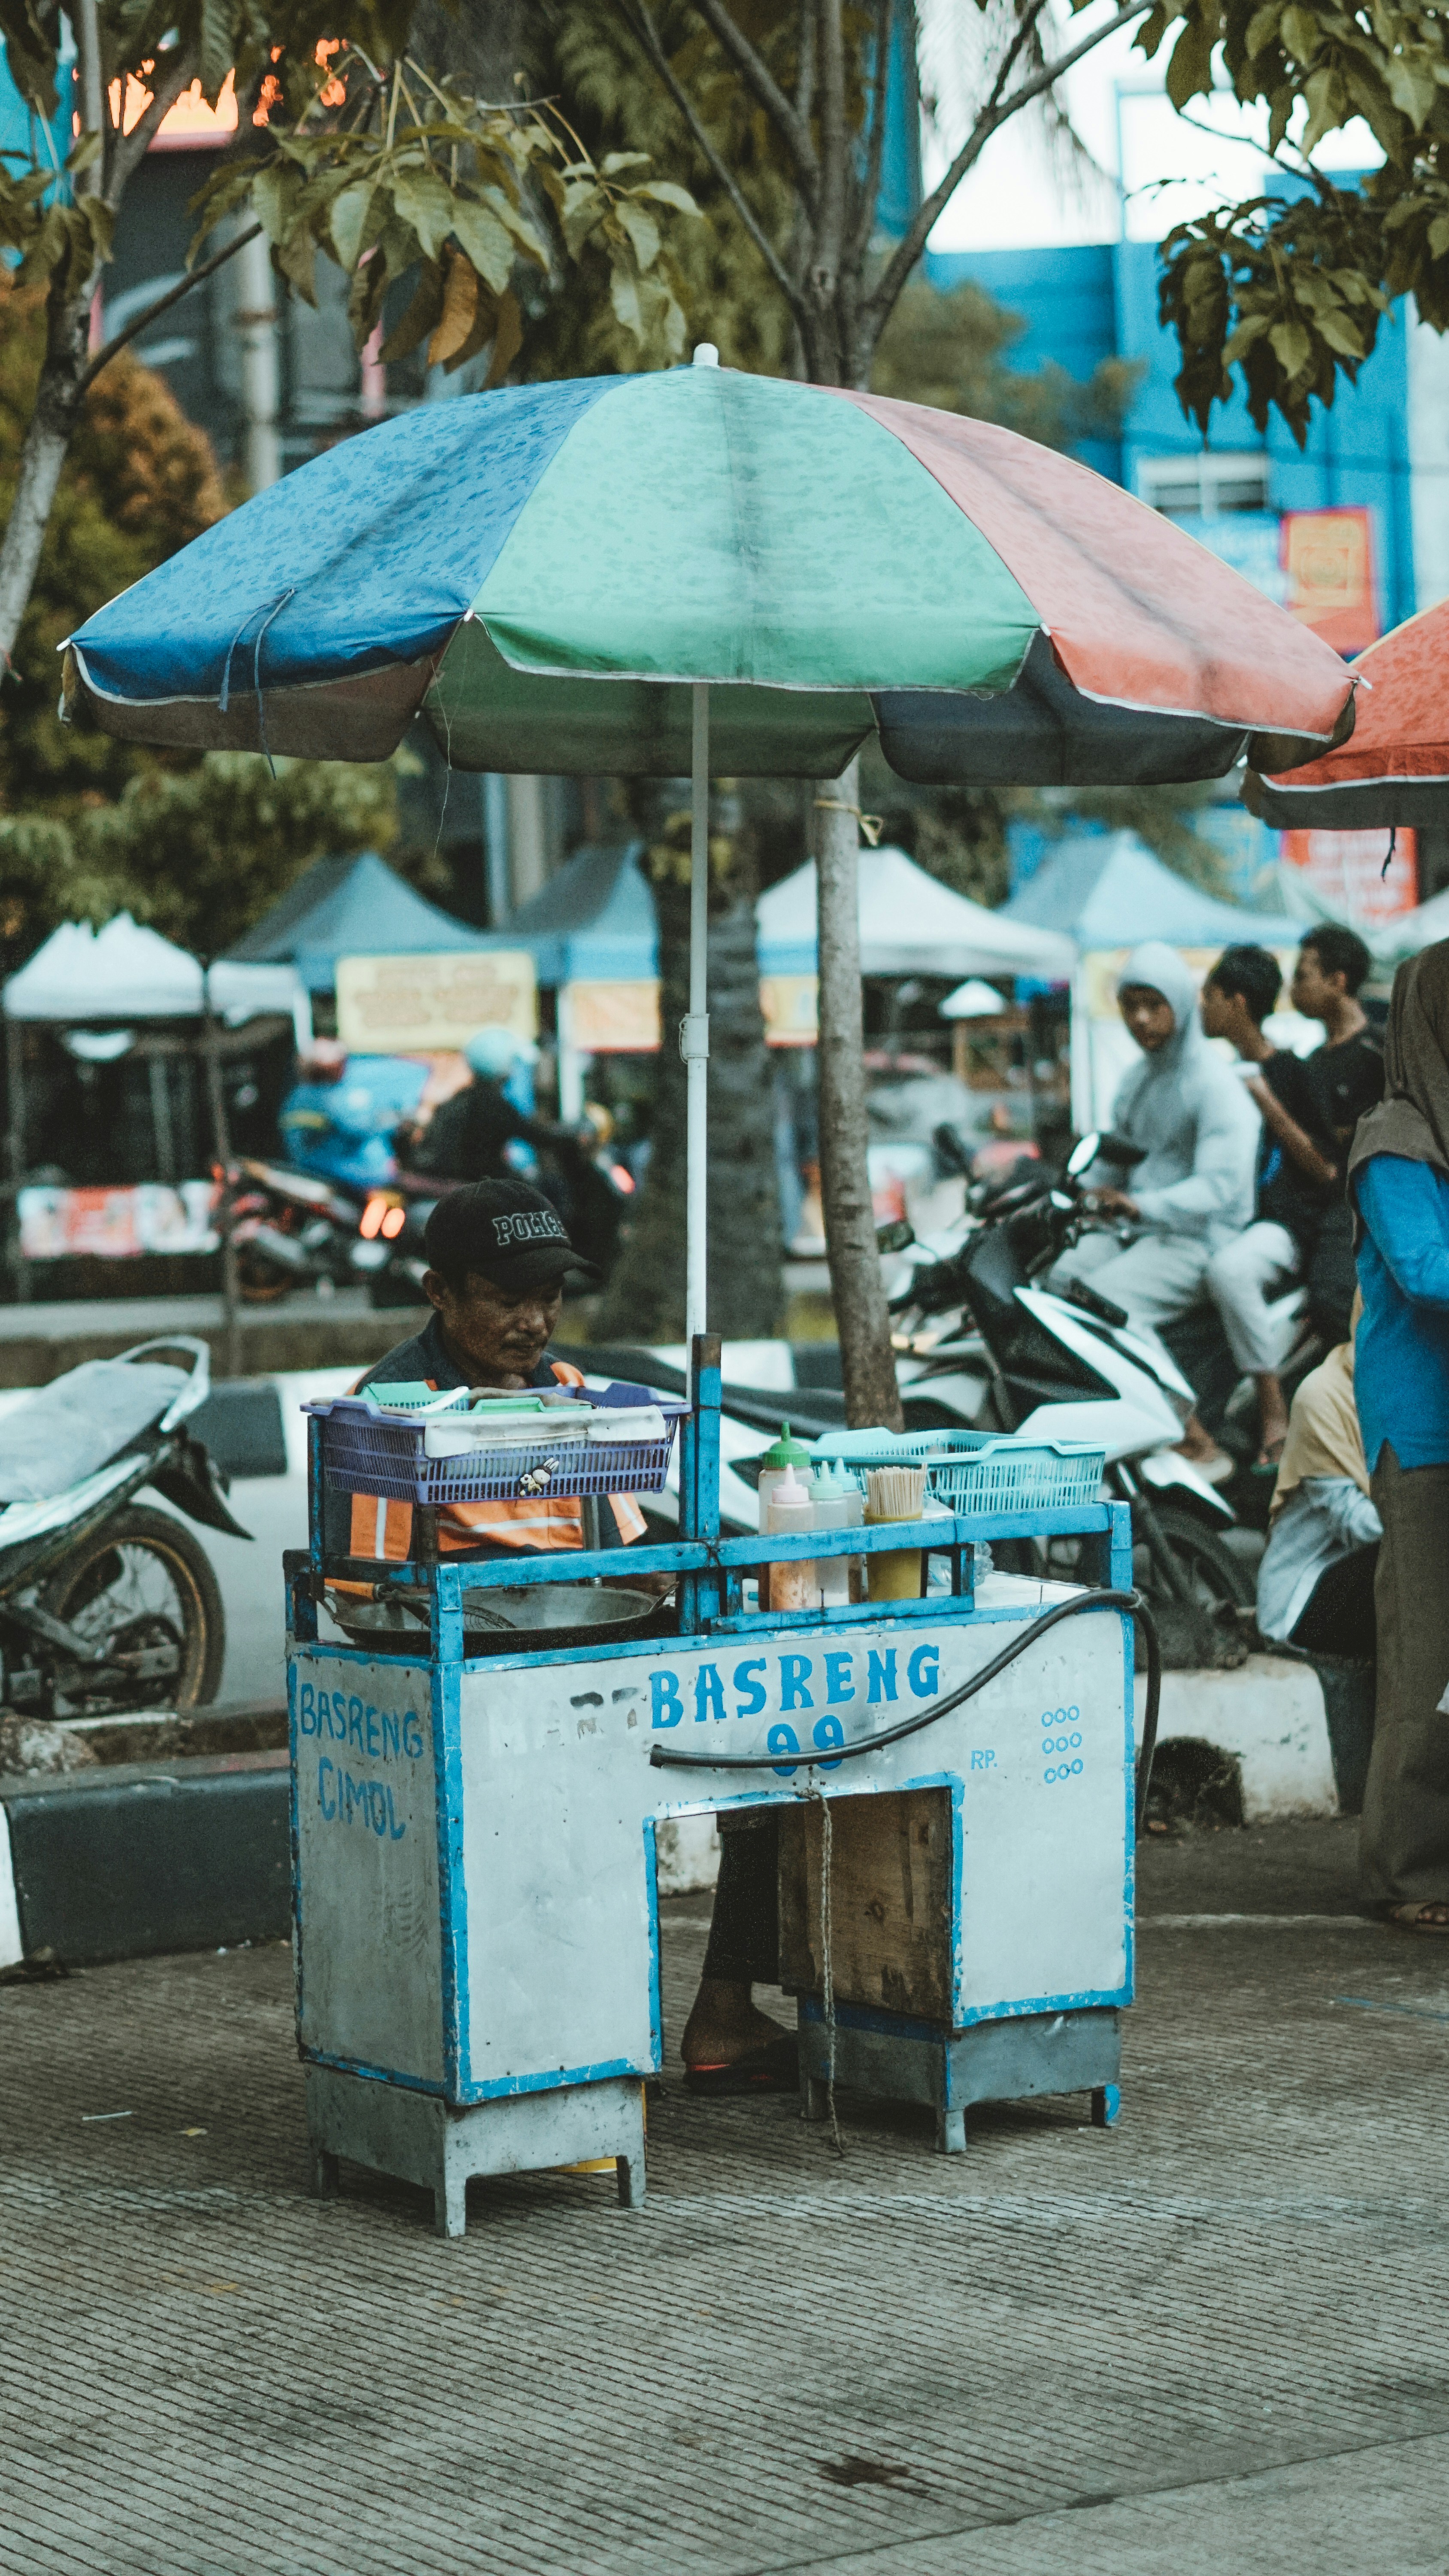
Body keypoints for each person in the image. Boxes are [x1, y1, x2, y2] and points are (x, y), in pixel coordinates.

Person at [332, 1177, 649, 1564]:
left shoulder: (568, 1386)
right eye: (509, 1301)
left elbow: (621, 1555)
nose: (535, 1322)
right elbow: (372, 1587)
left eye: (550, 1297)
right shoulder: (382, 1409)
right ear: (440, 1292)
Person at [1051, 940, 1258, 1473]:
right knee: (1057, 1280)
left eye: (1153, 1004)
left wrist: (1140, 1206)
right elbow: (1113, 1162)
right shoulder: (1138, 1079)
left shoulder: (1214, 1085)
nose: (1140, 1019)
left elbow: (1221, 1187)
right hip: (1142, 1231)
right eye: (1130, 1005)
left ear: (1181, 1005)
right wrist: (1068, 1196)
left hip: (1201, 1237)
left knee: (1102, 1301)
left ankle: (1191, 1435)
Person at [1346, 942, 1449, 1932]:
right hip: (1422, 1429)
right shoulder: (1394, 1140)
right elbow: (1426, 1270)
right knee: (1425, 1650)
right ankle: (1408, 1870)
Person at [1200, 945, 1338, 1464]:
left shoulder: (1290, 1073)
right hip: (1227, 1220)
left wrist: (1265, 1101)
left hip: (1282, 1227)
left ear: (1237, 1002)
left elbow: (1325, 1168)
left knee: (1228, 1273)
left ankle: (1271, 1408)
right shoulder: (1213, 1075)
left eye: (1210, 997)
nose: (1203, 1008)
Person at [1255, 1328, 1380, 1656]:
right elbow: (1358, 1528)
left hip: (1350, 1585)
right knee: (1404, 1552)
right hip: (1303, 1598)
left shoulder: (1417, 1388)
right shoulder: (1323, 1396)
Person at [1291, 927, 1385, 1343]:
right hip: (1318, 1204)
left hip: (1362, 1208)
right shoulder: (1311, 1063)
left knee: (1332, 1300)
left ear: (1338, 980)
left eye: (1302, 975)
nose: (1294, 988)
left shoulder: (1381, 1053)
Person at [399, 1029, 579, 1188]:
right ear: (502, 1066)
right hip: (478, 1189)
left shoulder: (457, 1101)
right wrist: (574, 1137)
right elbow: (537, 1135)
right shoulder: (494, 1106)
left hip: (456, 1186)